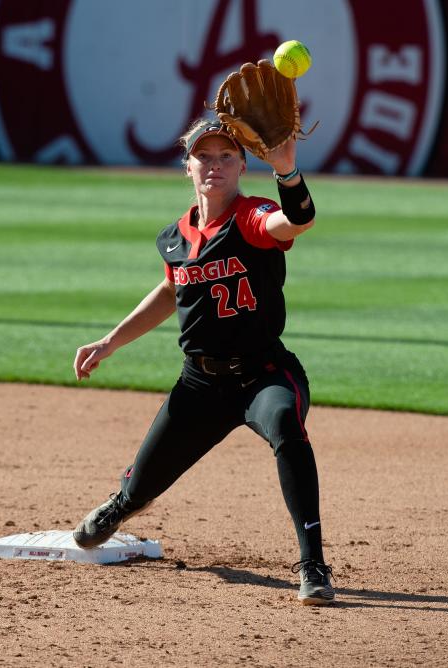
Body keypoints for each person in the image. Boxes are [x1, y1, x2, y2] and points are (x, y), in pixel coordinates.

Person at [71, 118, 334, 605]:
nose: (214, 165)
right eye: (204, 156)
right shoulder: (175, 236)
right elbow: (172, 290)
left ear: (241, 165)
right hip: (200, 387)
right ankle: (124, 502)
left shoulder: (254, 217)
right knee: (142, 485)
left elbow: (296, 221)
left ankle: (312, 563)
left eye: (226, 157)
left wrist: (288, 172)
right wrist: (109, 342)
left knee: (286, 426)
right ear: (186, 165)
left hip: (264, 375)